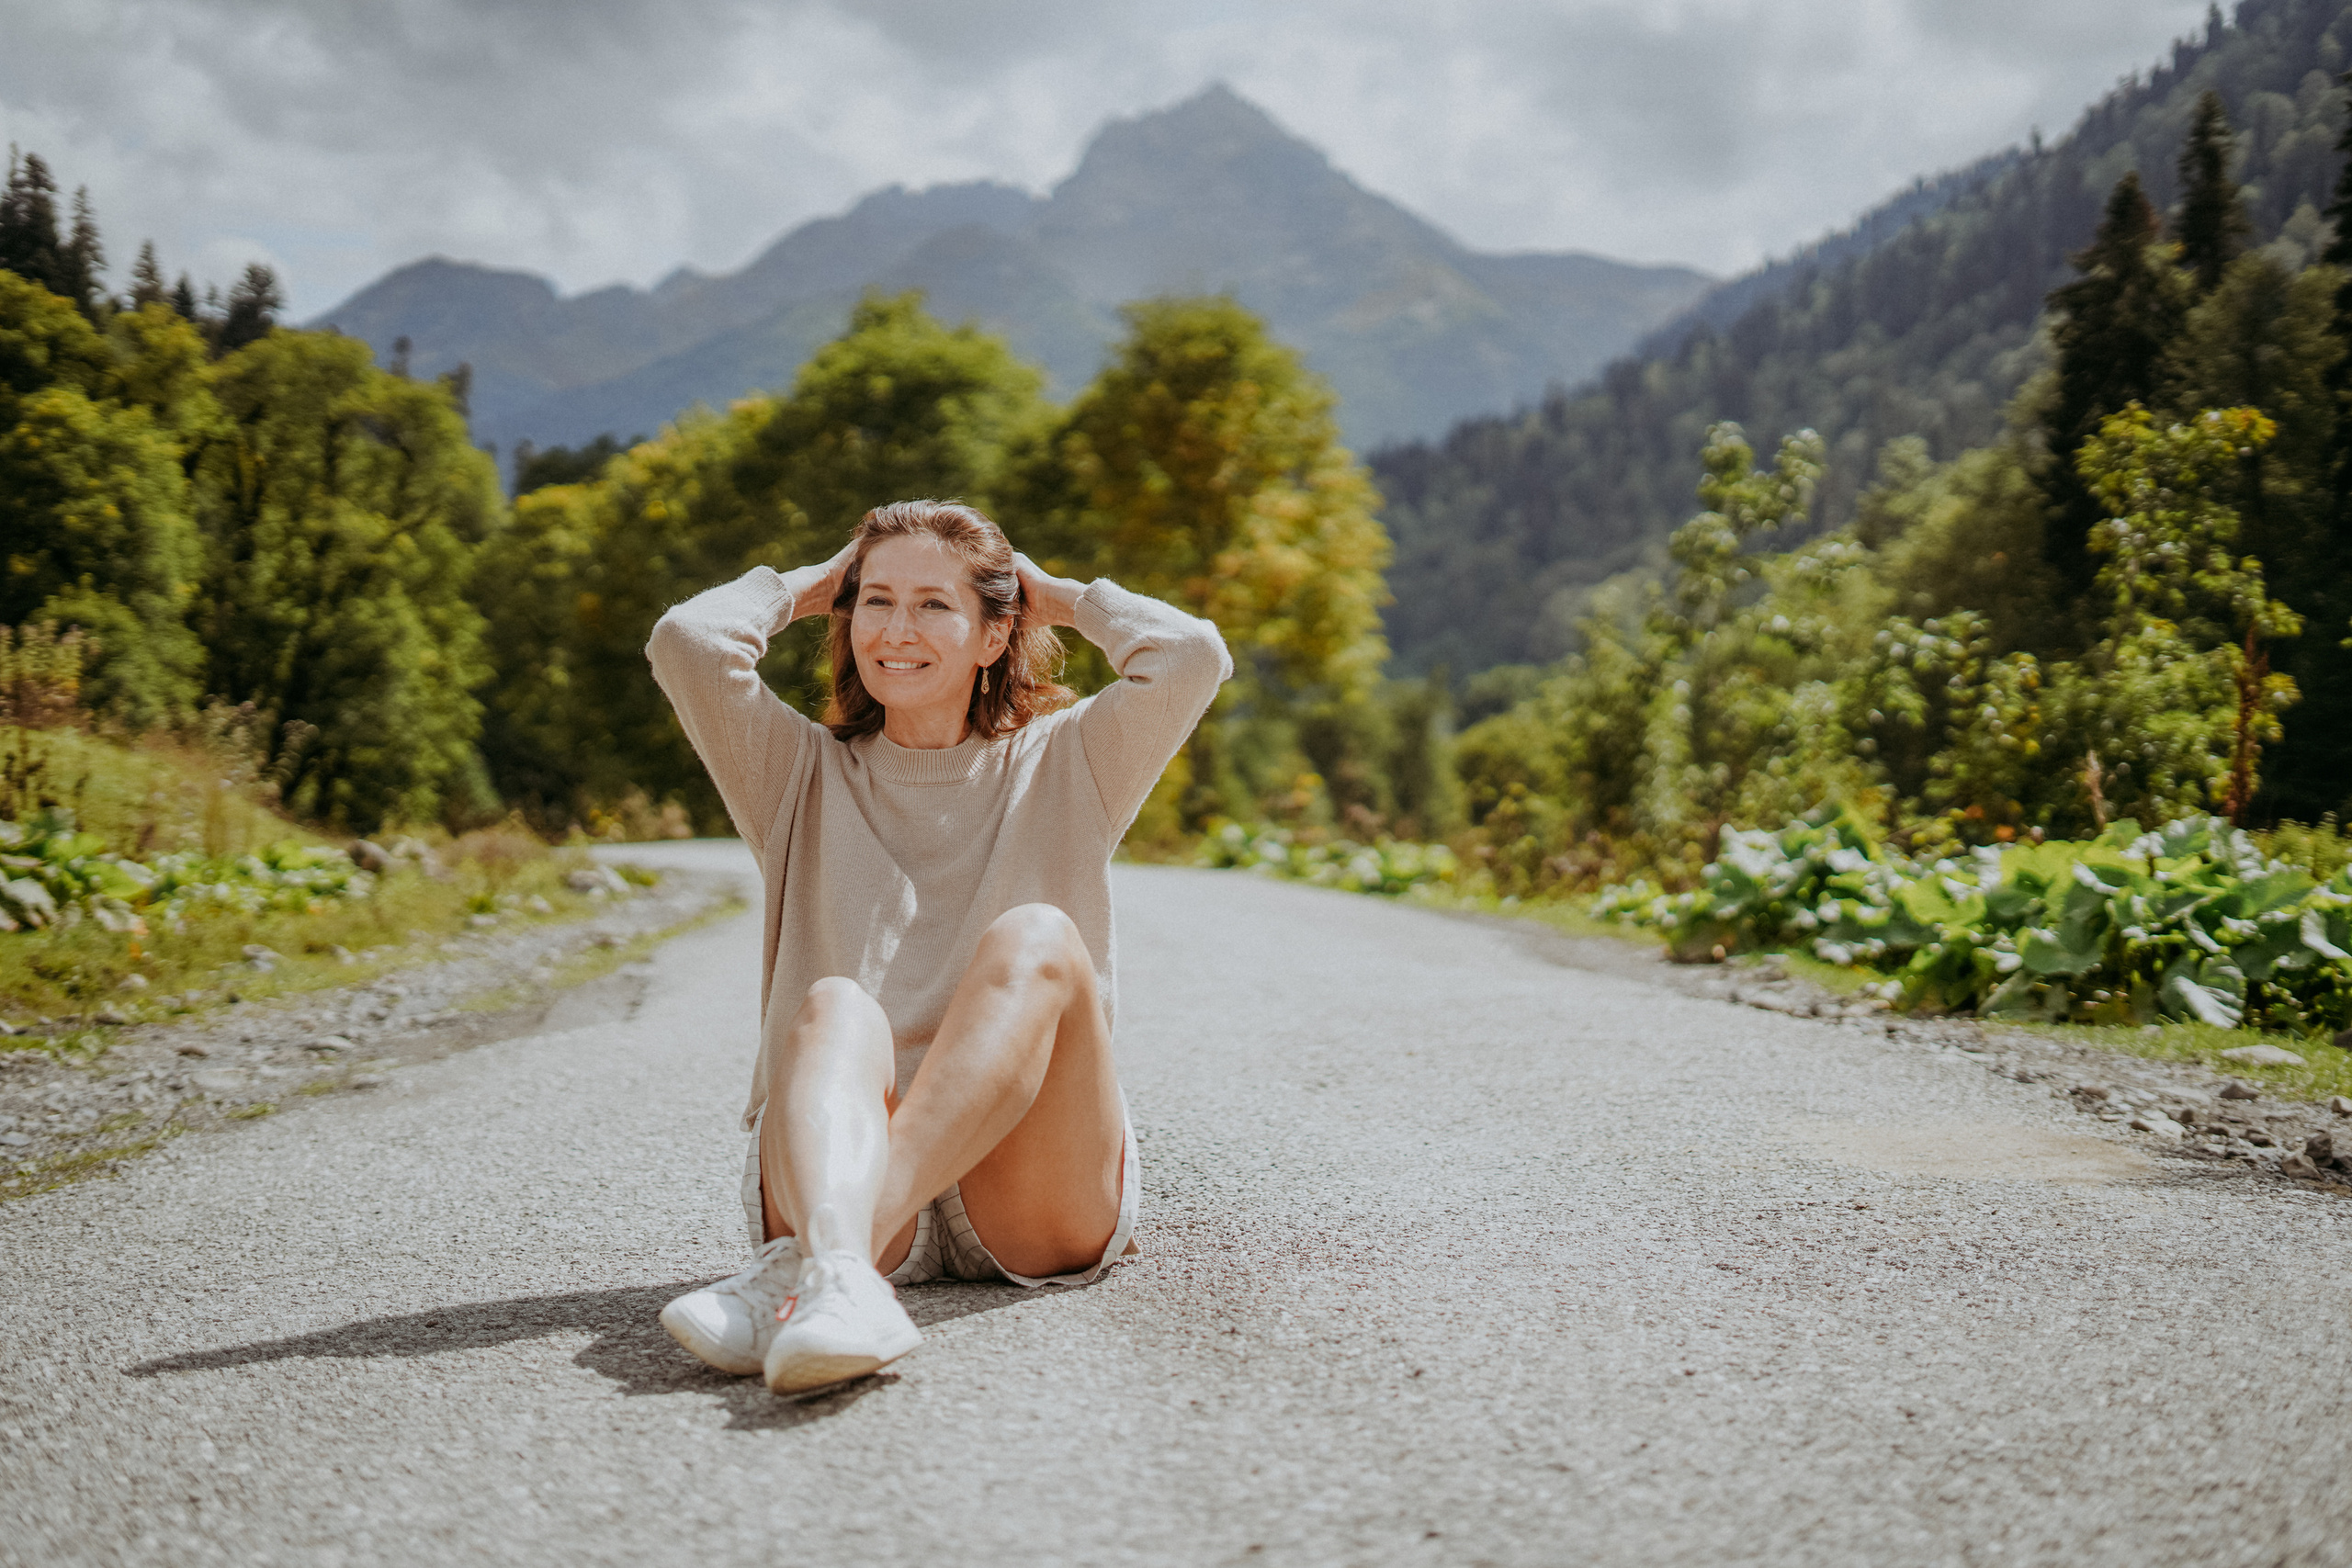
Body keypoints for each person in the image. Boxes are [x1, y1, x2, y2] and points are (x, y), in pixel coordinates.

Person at [645, 499, 1230, 1394]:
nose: (895, 631)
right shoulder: (794, 774)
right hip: (844, 1170)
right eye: (874, 602)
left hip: (1031, 1191)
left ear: (995, 635)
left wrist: (1061, 595)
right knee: (834, 1002)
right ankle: (842, 1270)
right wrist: (808, 586)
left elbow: (1191, 657)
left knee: (1035, 936)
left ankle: (809, 1274)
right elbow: (688, 641)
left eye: (933, 605)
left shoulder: (1067, 761)